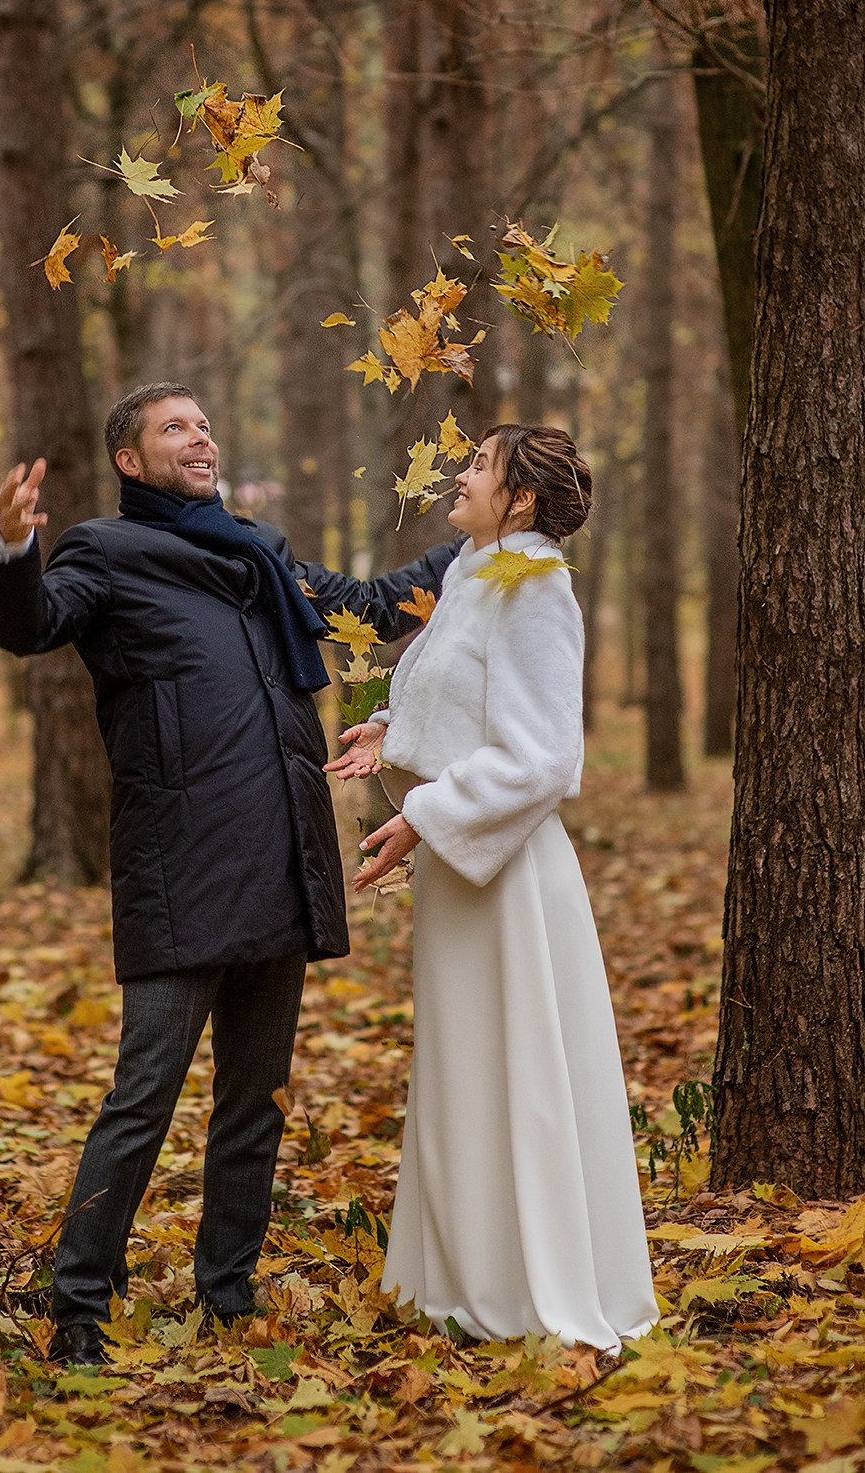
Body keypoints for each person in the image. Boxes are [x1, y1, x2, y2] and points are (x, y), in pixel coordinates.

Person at [0, 382, 458, 1365]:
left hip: (280, 851)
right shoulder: (101, 555)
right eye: (173, 427)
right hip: (181, 860)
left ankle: (226, 1293)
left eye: (202, 423)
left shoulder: (261, 551)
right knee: (143, 1094)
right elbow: (32, 624)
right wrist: (9, 547)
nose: (197, 437)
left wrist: (486, 543)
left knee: (257, 1098)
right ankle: (78, 1304)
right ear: (129, 459)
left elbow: (365, 608)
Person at [325, 423, 658, 1351]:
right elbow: (464, 701)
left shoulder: (536, 585)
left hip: (508, 873)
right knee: (466, 1064)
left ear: (520, 499)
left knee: (520, 1070)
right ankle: (465, 1276)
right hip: (464, 869)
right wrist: (388, 732)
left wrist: (422, 816)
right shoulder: (479, 572)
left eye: (481, 465)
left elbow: (544, 756)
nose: (461, 475)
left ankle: (529, 1285)